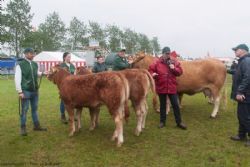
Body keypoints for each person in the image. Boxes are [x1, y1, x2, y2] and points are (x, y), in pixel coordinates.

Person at [149, 46, 187, 130]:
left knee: (176, 105)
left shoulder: (174, 62)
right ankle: (162, 122)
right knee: (163, 106)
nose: (168, 55)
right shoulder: (157, 62)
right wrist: (153, 74)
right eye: (166, 54)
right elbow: (150, 70)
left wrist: (174, 68)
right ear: (162, 54)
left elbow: (180, 72)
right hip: (161, 87)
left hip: (172, 87)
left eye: (169, 53)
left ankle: (179, 122)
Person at [15, 48, 47, 136]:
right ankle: (23, 128)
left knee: (35, 109)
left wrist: (43, 73)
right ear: (26, 54)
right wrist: (20, 92)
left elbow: (36, 73)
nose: (33, 55)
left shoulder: (34, 64)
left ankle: (36, 126)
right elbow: (17, 79)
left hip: (34, 90)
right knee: (24, 110)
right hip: (25, 91)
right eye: (31, 53)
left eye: (33, 53)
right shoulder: (20, 65)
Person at [229, 44, 250, 146]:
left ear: (242, 50)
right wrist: (226, 70)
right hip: (245, 94)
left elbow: (248, 77)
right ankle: (241, 135)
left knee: (244, 117)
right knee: (241, 115)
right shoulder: (243, 61)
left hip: (246, 94)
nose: (235, 52)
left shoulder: (246, 61)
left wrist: (240, 92)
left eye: (236, 50)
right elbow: (238, 72)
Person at [59, 52, 76, 123]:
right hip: (64, 86)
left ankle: (71, 116)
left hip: (72, 85)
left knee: (73, 101)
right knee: (63, 101)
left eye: (70, 57)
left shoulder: (72, 65)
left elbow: (74, 75)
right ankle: (63, 115)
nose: (69, 58)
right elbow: (59, 76)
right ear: (64, 57)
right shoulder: (61, 65)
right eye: (68, 57)